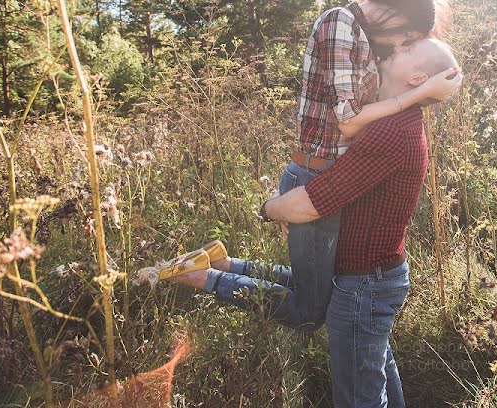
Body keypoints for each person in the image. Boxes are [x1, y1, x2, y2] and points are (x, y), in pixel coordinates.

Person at [175, 38, 460, 407]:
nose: (395, 46)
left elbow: (313, 204)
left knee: (360, 397)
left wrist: (269, 208)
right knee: (373, 372)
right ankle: (225, 267)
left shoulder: (394, 131)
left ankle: (213, 274)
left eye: (408, 48)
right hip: (366, 276)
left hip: (365, 285)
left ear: (417, 76)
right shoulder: (389, 116)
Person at [168, 0, 462, 331]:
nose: (401, 44)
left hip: (334, 176)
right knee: (309, 312)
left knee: (312, 287)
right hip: (317, 174)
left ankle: (224, 264)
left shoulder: (367, 36)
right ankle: (203, 277)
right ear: (399, 13)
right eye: (407, 35)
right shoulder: (340, 23)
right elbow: (350, 123)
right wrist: (421, 93)